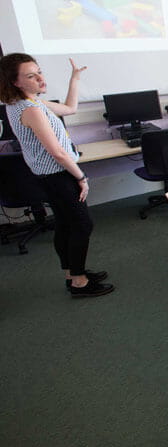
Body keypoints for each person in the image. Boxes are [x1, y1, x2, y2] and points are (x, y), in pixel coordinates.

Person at [0, 53, 113, 298]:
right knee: (83, 224)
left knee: (65, 223)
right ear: (15, 82)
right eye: (31, 76)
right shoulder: (30, 109)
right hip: (58, 174)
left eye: (39, 71)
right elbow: (58, 153)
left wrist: (75, 78)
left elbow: (69, 109)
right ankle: (80, 282)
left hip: (50, 175)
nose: (40, 78)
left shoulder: (25, 102)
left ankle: (72, 273)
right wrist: (81, 177)